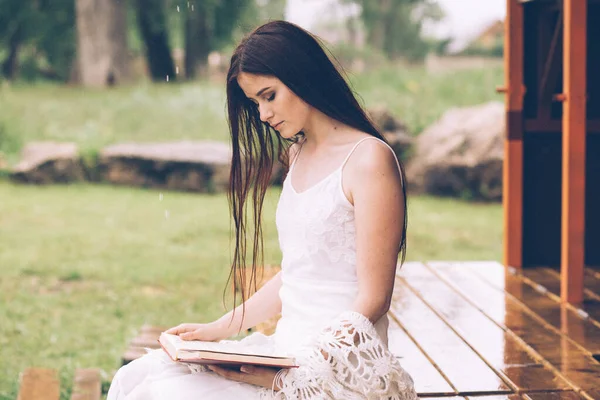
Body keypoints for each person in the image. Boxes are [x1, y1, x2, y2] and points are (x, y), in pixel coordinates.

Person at [107, 20, 417, 400]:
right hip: (284, 353)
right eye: (255, 102)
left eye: (269, 96)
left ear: (301, 75)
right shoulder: (297, 153)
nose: (263, 114)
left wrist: (297, 372)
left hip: (338, 367)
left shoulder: (369, 160)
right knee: (138, 378)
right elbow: (296, 273)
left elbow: (373, 300)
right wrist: (219, 329)